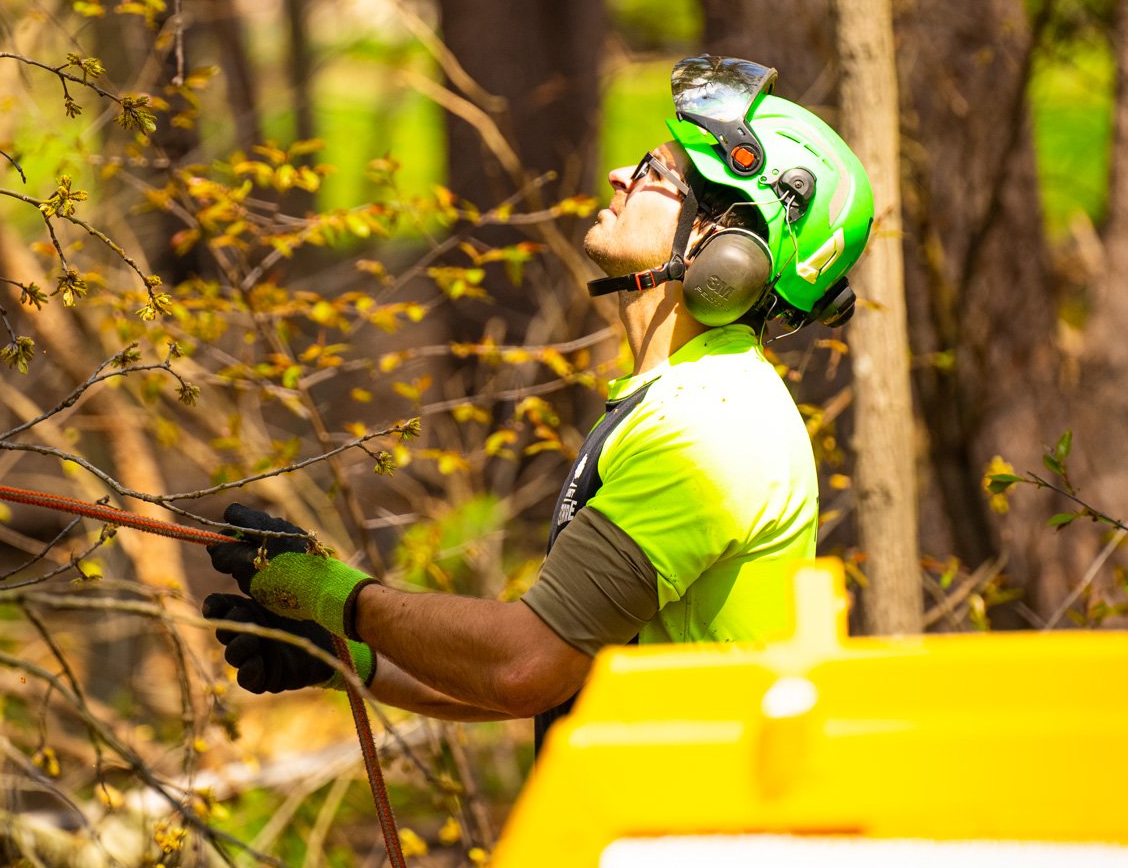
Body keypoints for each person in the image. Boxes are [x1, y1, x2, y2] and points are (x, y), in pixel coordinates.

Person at [202, 55, 873, 739]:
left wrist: (332, 596)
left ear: (723, 247)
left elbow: (528, 663)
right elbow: (561, 675)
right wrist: (346, 653)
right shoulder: (693, 399)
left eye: (653, 172)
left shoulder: (711, 430)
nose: (619, 175)